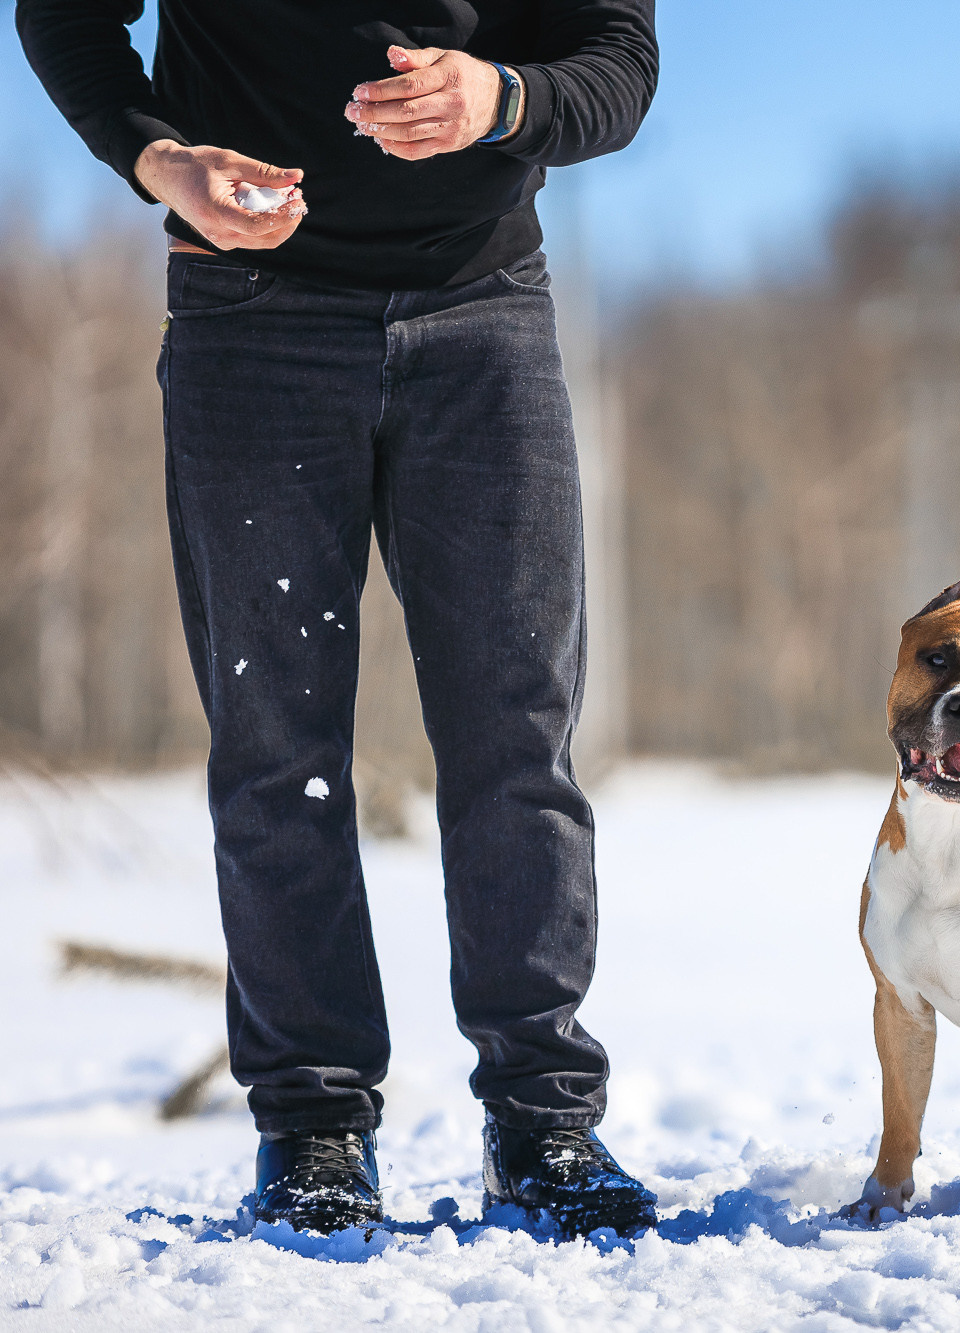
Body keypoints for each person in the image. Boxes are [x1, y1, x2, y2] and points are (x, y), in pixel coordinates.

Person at [17, 0, 659, 1239]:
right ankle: (312, 1125)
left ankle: (542, 1121)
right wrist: (157, 155)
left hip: (484, 315)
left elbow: (619, 62)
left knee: (514, 733)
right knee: (276, 748)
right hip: (250, 318)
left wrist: (503, 99)